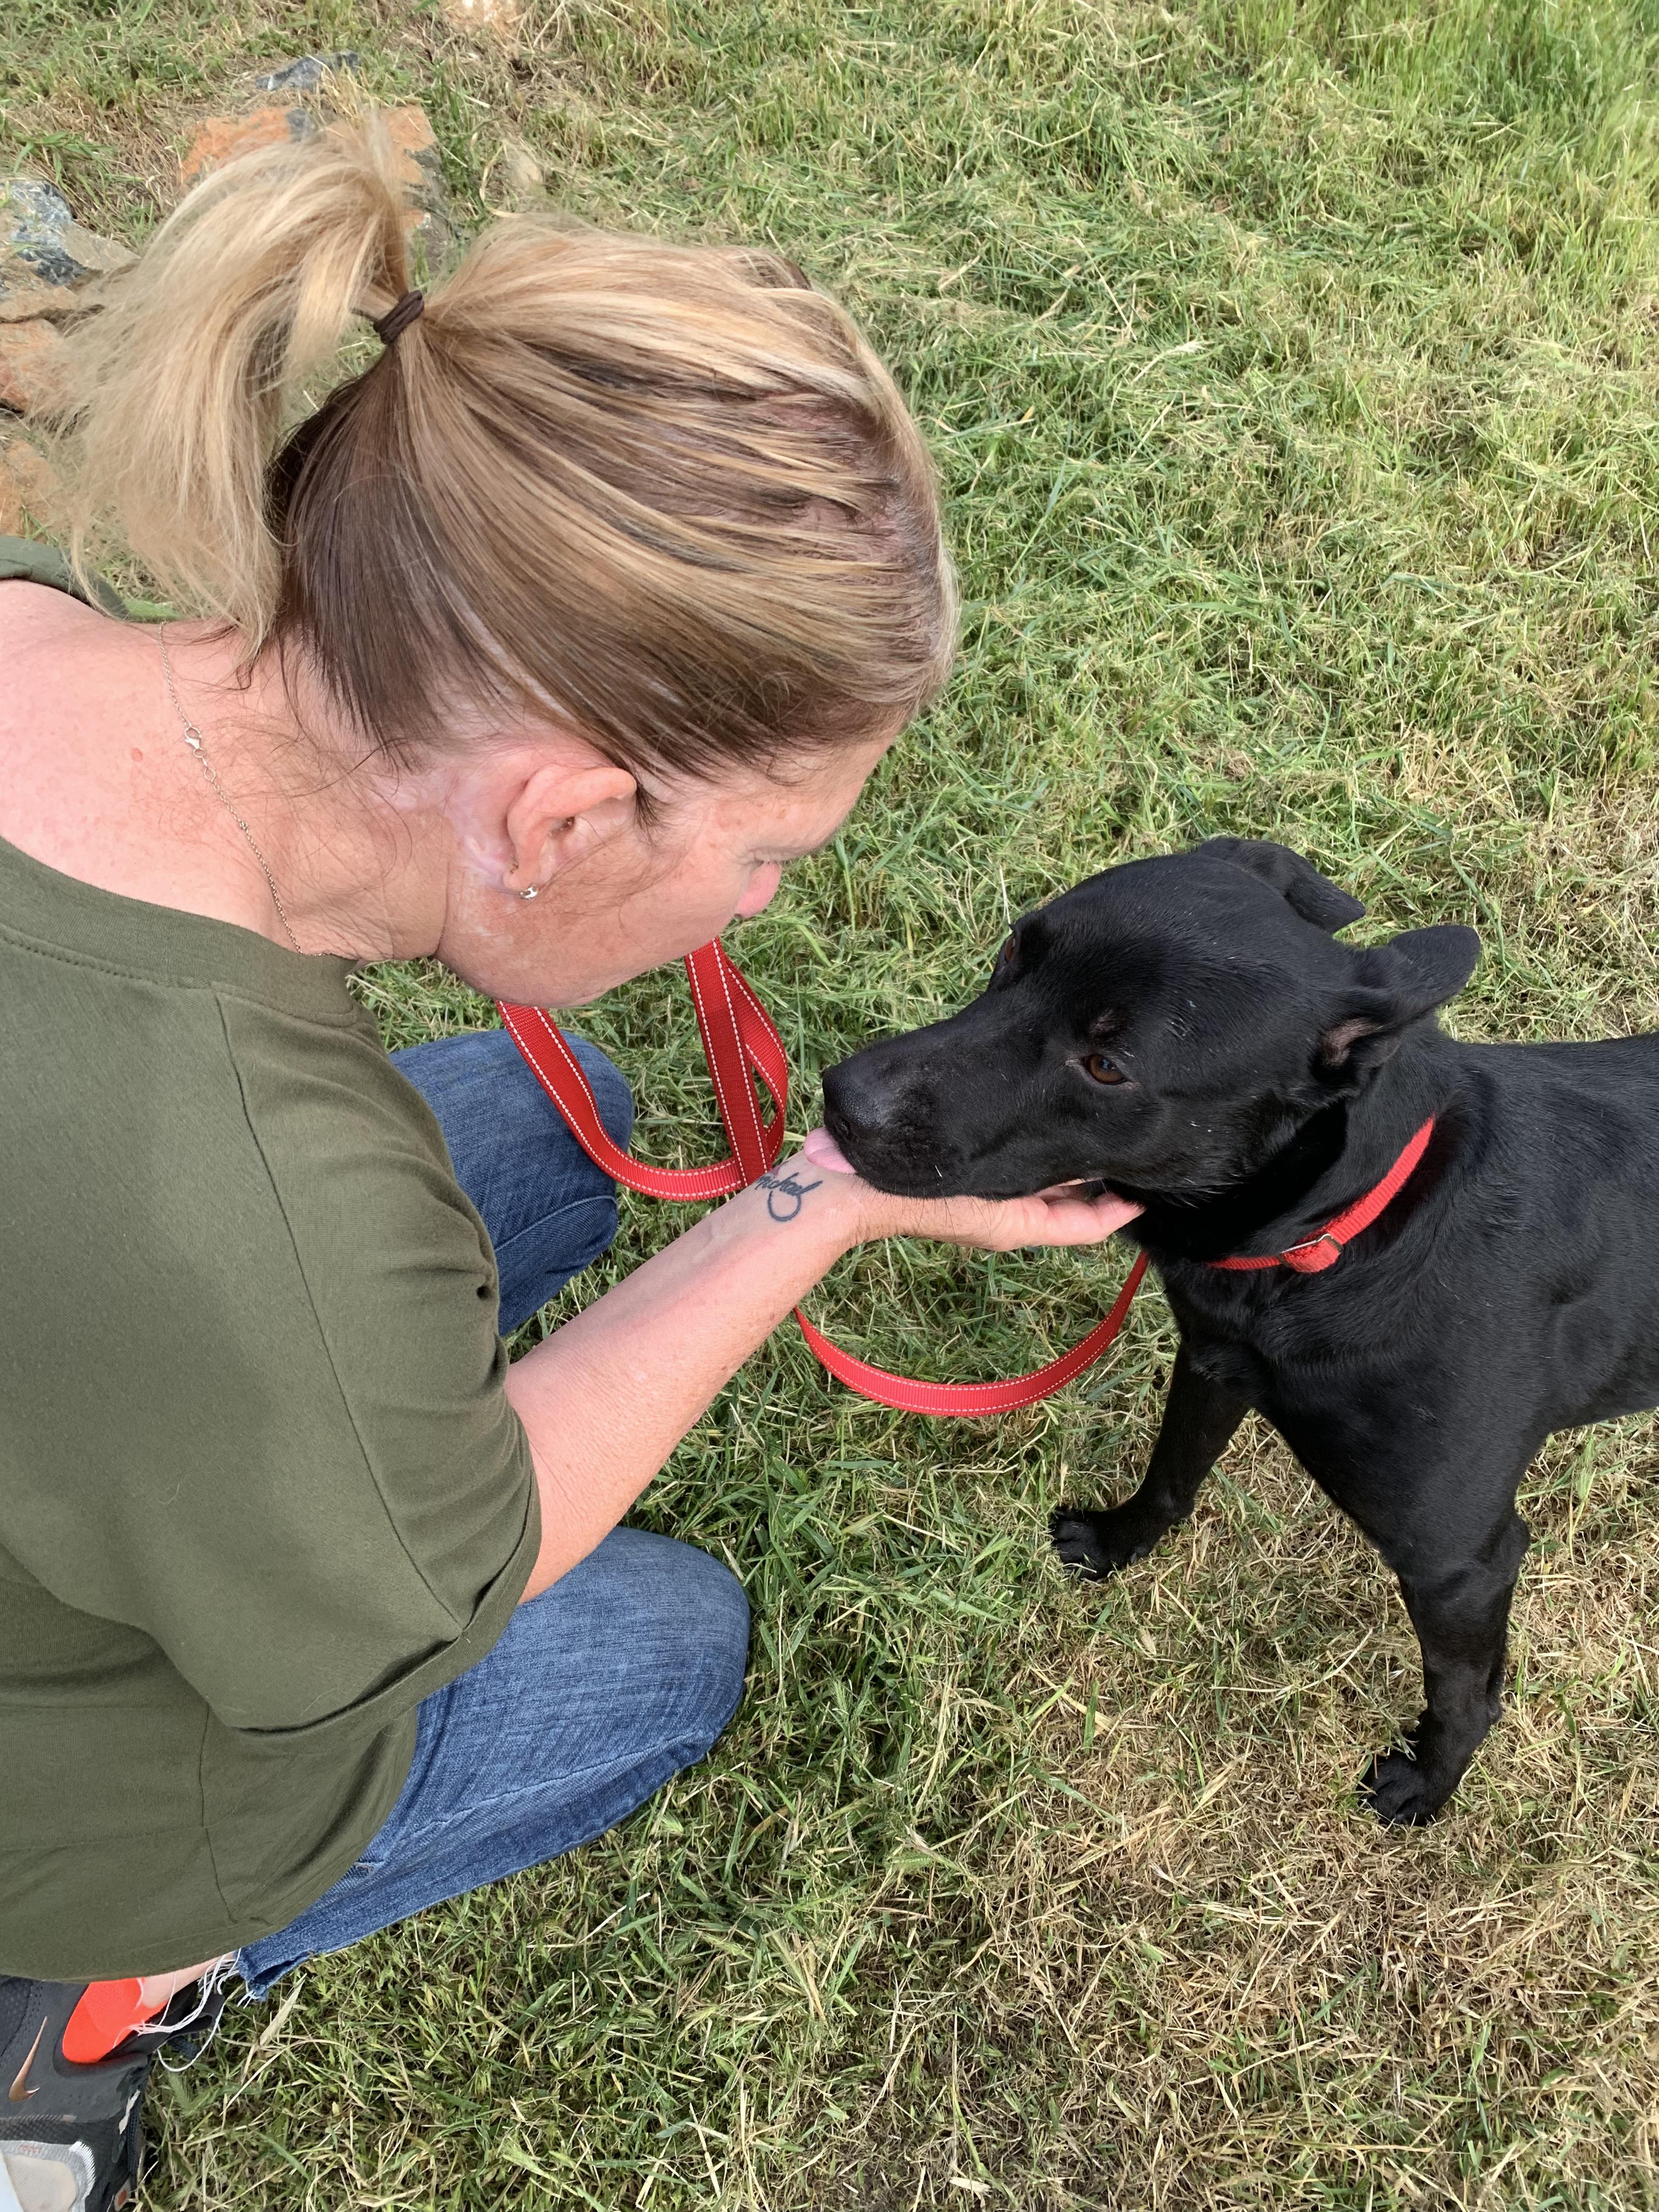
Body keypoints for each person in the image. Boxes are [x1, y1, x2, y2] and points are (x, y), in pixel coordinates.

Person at [0, 117, 1138, 2210]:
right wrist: (836, 1196)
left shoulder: (30, 628)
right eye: (773, 854)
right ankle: (85, 1997)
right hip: (51, 1756)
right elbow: (454, 1573)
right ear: (555, 818)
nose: (774, 913)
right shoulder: (256, 1221)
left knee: (533, 1136)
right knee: (659, 1642)